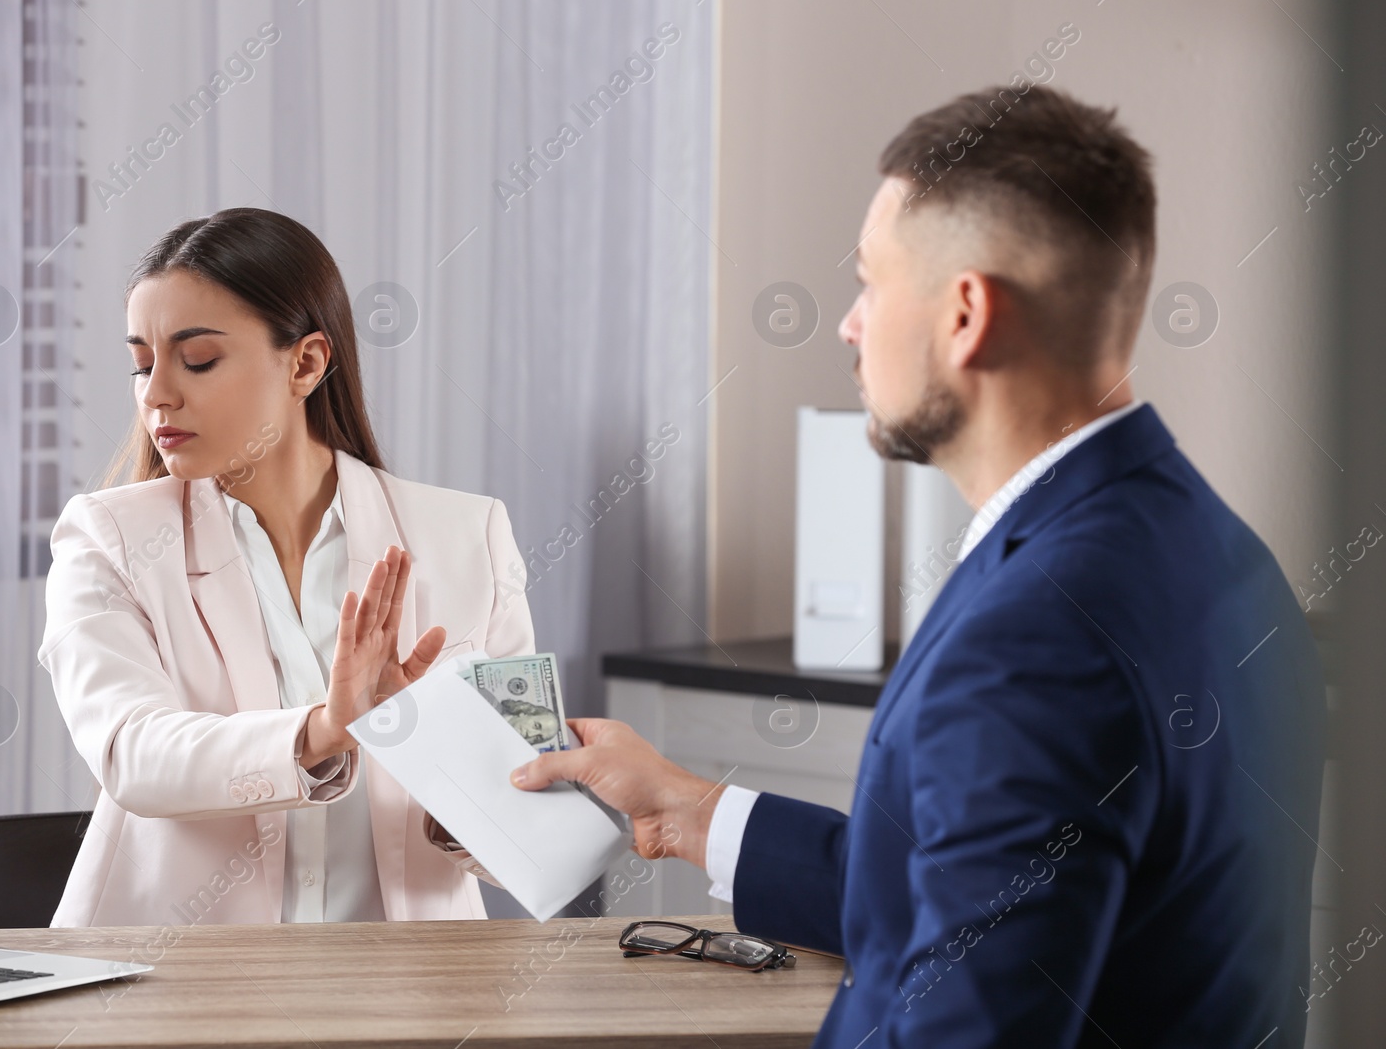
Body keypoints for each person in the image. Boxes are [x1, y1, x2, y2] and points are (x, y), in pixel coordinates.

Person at [512, 86, 1326, 1046]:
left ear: (966, 313)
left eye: (869, 282)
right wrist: (688, 810)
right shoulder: (1214, 553)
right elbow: (973, 893)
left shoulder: (1038, 633)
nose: (851, 327)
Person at [39, 207, 529, 926]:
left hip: (413, 996)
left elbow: (527, 813)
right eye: (142, 363)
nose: (156, 394)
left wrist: (454, 776)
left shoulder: (468, 536)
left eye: (196, 359)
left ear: (304, 362)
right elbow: (133, 754)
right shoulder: (107, 538)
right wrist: (326, 729)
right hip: (176, 989)